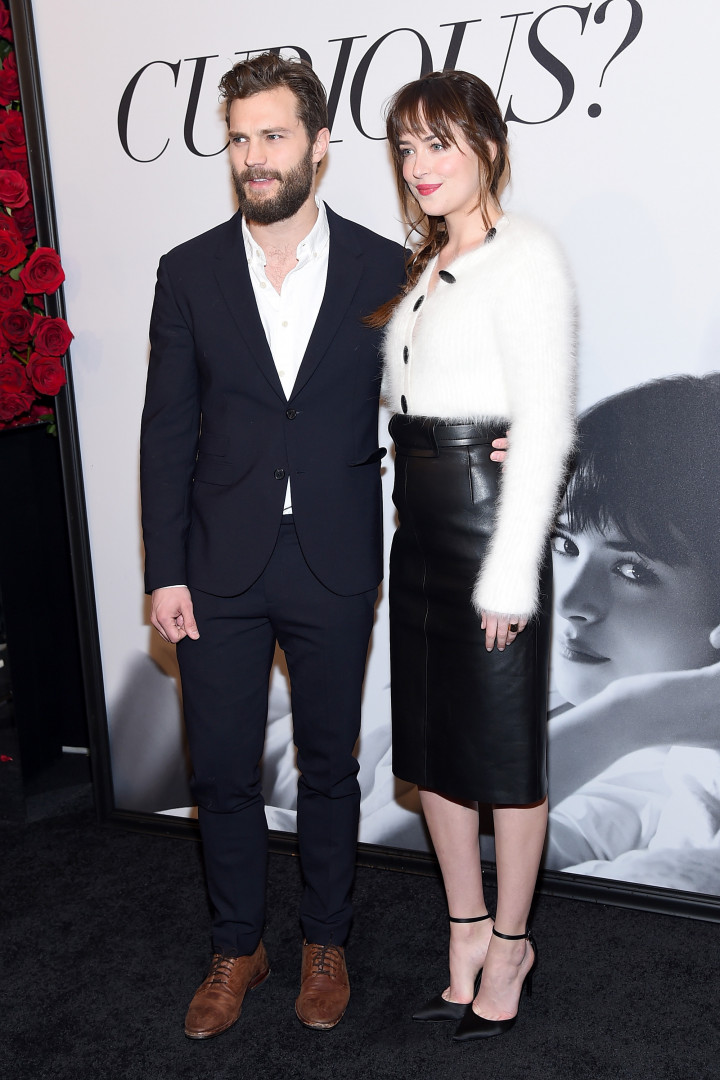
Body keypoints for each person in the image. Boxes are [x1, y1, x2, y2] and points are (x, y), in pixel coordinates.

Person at [140, 53, 405, 1037]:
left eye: (275, 136)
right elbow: (167, 431)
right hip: (218, 562)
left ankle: (323, 942)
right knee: (220, 770)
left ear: (319, 146)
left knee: (328, 764)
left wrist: (494, 432)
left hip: (334, 555)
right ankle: (237, 946)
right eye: (241, 138)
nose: (255, 156)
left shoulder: (384, 266)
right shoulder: (189, 270)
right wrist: (165, 569)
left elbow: (428, 389)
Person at [374, 70, 575, 1039]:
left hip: (490, 529)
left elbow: (545, 423)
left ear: (488, 146)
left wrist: (509, 572)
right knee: (433, 749)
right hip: (416, 530)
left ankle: (512, 943)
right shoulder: (425, 268)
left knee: (502, 755)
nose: (420, 165)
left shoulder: (523, 255)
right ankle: (463, 932)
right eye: (407, 148)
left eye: (439, 143)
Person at [544, 374, 720, 893]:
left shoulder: (669, 782)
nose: (569, 602)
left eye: (632, 570)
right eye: (564, 545)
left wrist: (632, 717)